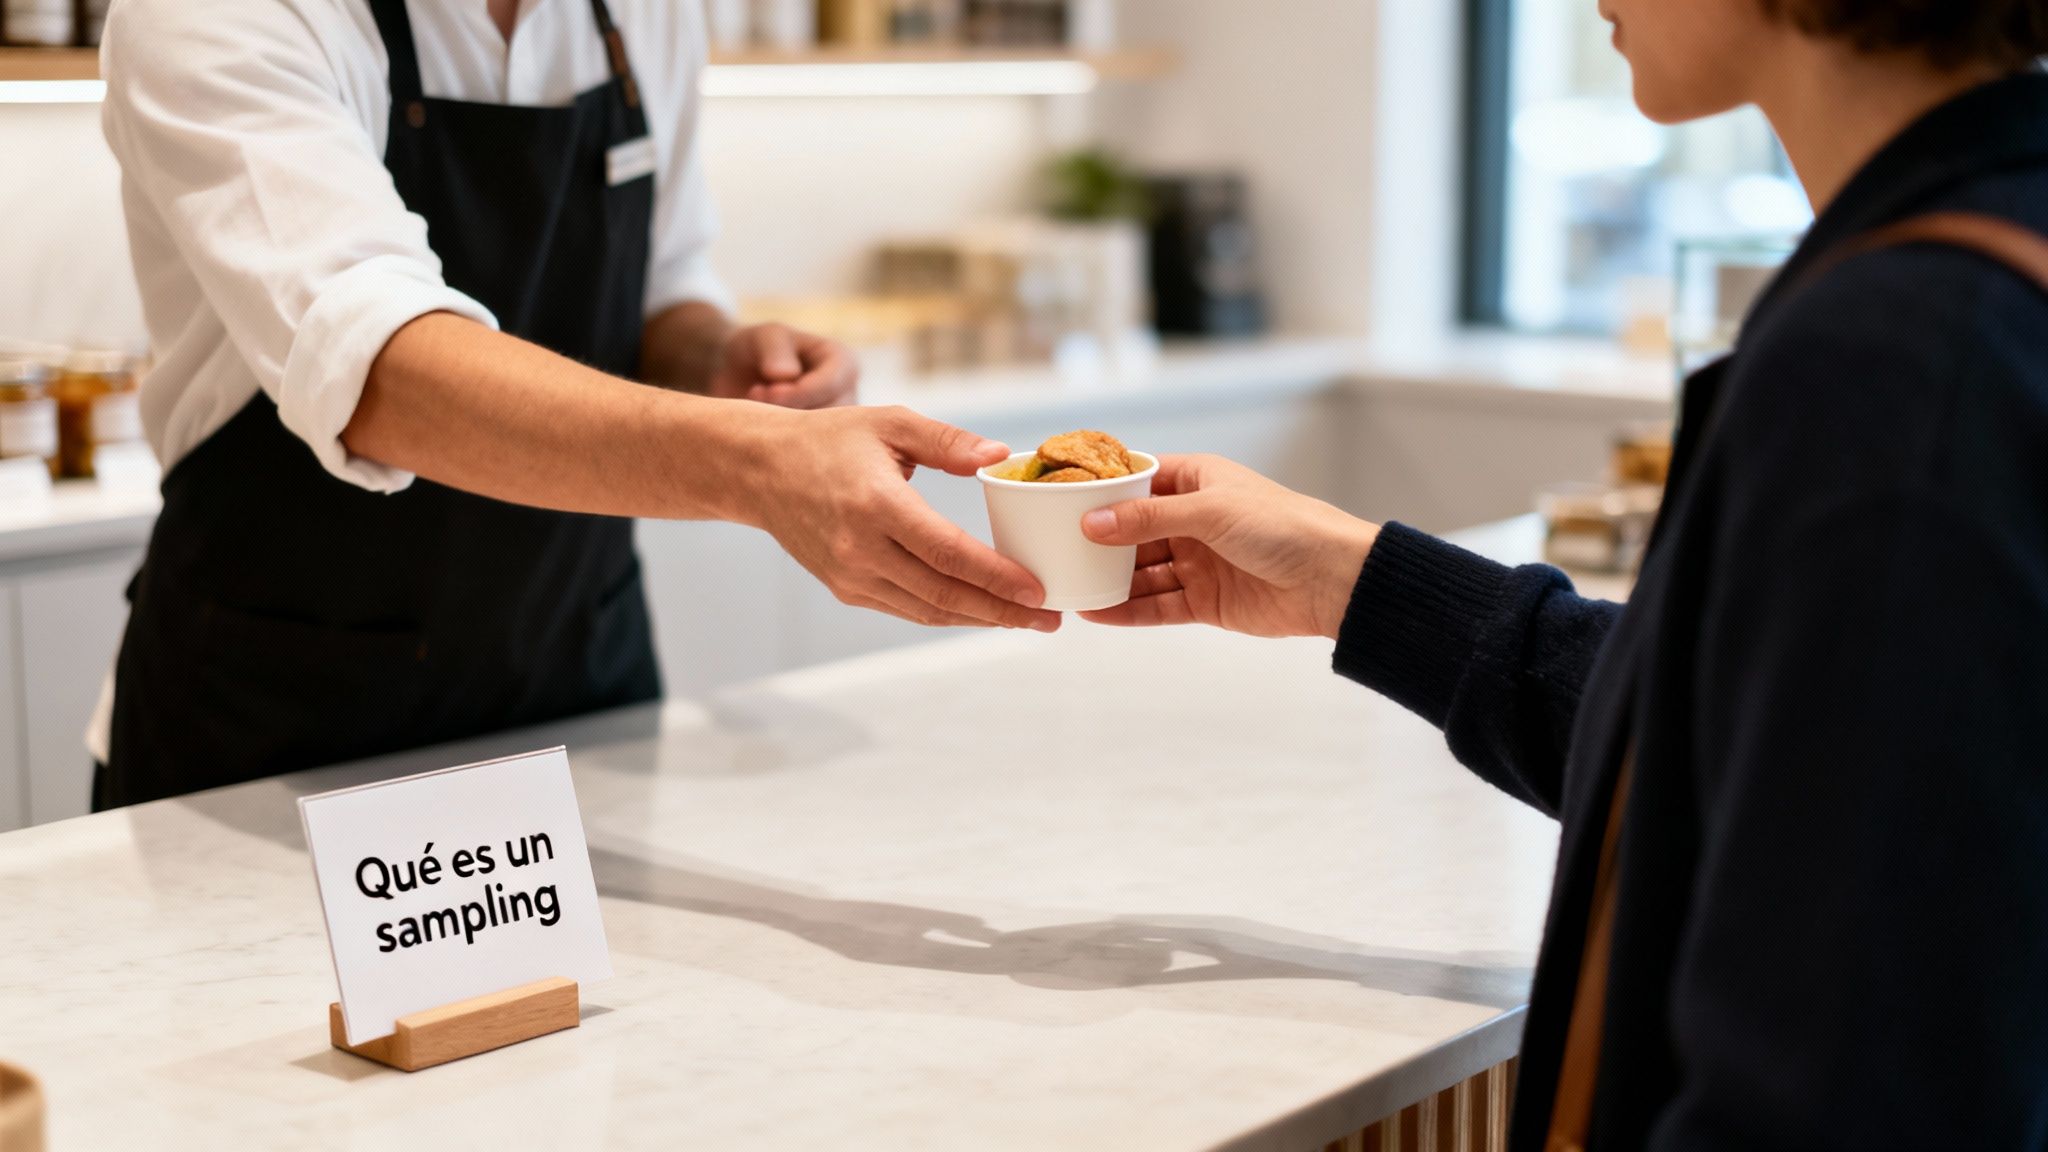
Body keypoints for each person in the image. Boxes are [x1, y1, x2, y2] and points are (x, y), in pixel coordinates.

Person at [1080, 2, 2048, 1147]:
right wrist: (1356, 584)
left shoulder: (1897, 360)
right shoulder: (1976, 269)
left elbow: (1843, 1087)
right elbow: (1762, 762)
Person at [91, 0, 1059, 810]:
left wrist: (717, 355)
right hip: (274, 729)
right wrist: (758, 464)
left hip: (578, 686)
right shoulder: (220, 12)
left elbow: (662, 277)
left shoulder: (638, 12)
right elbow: (379, 370)